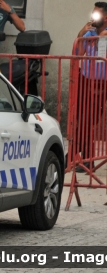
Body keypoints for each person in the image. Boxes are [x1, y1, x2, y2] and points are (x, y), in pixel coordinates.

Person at [75, 2, 107, 173]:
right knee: (81, 119)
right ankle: (85, 157)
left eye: (97, 14)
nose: (93, 17)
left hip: (101, 83)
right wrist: (81, 33)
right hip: (85, 79)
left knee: (90, 120)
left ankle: (76, 155)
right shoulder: (89, 32)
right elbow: (77, 53)